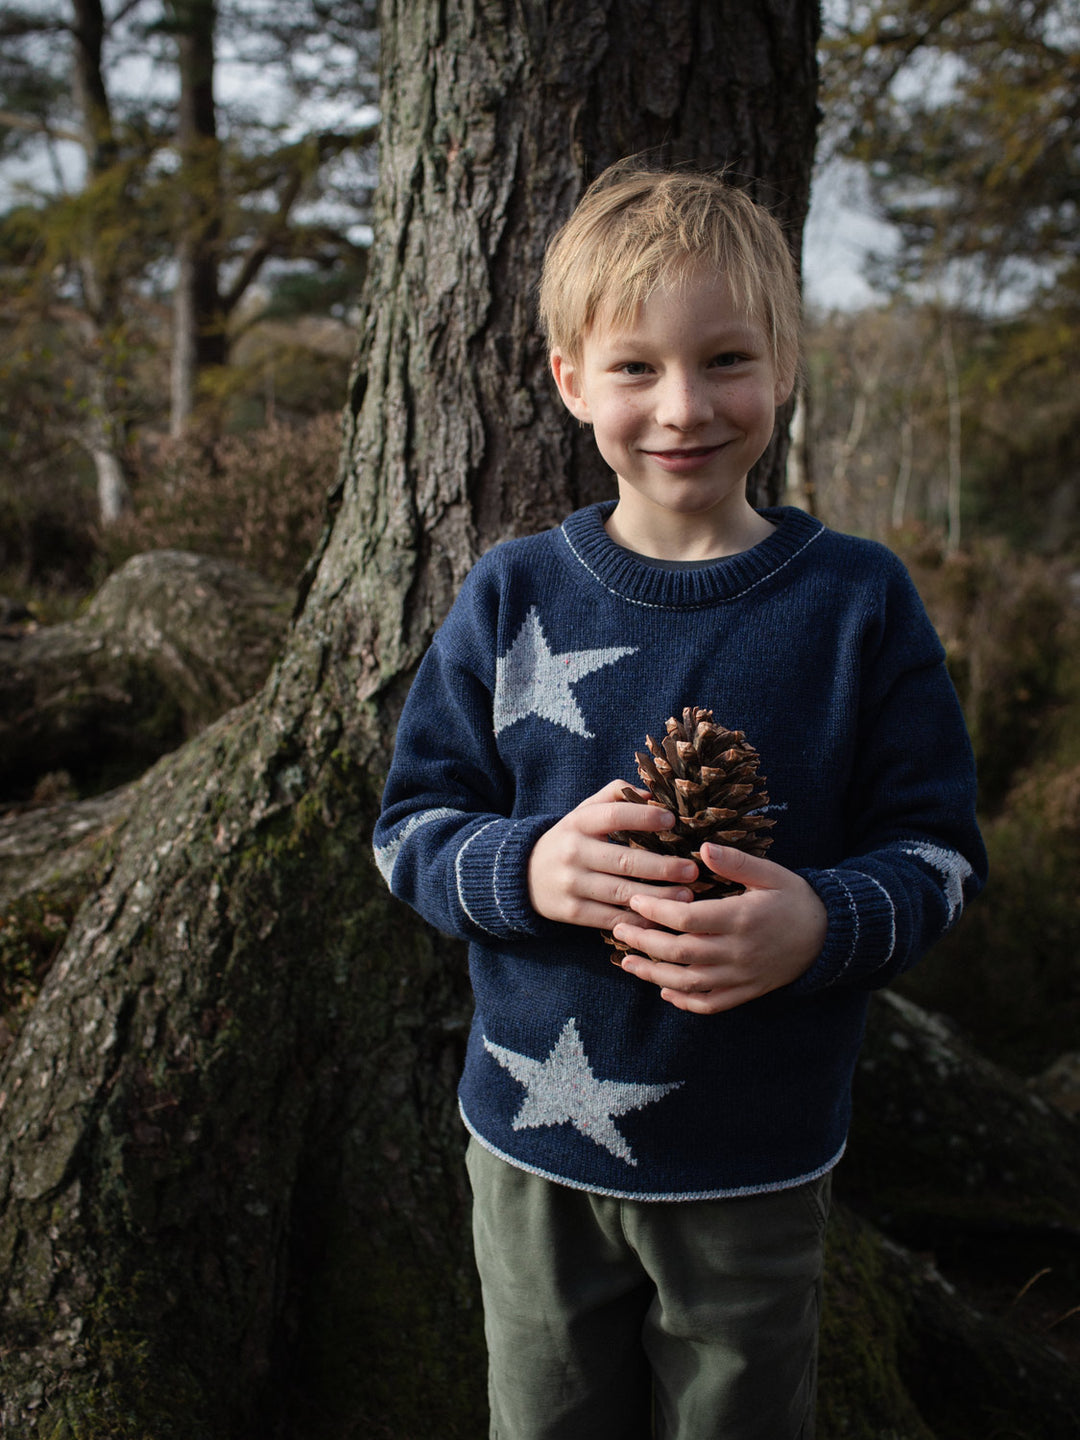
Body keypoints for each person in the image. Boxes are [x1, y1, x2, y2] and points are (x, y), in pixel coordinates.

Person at [373, 161, 986, 1440]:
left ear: (786, 366)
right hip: (532, 1153)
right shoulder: (512, 593)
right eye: (637, 367)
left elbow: (938, 855)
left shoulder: (856, 604)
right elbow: (409, 831)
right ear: (568, 379)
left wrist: (820, 924)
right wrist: (527, 871)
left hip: (755, 1166)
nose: (685, 407)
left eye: (726, 361)